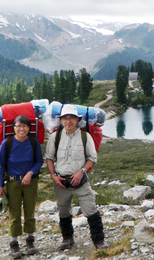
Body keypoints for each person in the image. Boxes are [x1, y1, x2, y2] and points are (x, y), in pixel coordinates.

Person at [45, 104, 109, 250]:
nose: (68, 121)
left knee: (91, 209)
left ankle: (98, 241)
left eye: (71, 118)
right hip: (61, 182)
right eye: (65, 118)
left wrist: (82, 171)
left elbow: (92, 158)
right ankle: (67, 239)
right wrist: (53, 176)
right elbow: (49, 158)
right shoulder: (55, 137)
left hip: (81, 182)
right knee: (63, 211)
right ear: (61, 121)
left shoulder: (85, 137)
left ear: (78, 120)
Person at [0, 115, 43, 259]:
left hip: (30, 182)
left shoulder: (34, 142)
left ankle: (30, 241)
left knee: (30, 211)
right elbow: (1, 166)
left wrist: (30, 173)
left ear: (29, 128)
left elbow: (39, 161)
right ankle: (14, 243)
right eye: (18, 126)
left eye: (25, 126)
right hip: (12, 183)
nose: (22, 129)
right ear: (13, 128)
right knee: (14, 213)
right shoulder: (7, 143)